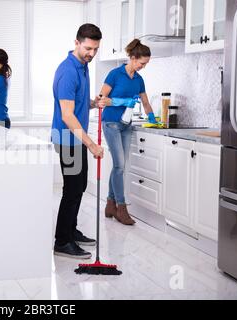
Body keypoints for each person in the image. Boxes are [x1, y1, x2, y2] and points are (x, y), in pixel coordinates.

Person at [51, 24, 104, 260]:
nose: (91, 53)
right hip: (67, 138)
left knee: (79, 186)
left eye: (95, 49)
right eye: (88, 48)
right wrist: (92, 144)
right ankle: (62, 241)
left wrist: (93, 103)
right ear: (76, 42)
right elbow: (67, 114)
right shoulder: (68, 71)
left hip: (76, 137)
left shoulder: (83, 66)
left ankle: (70, 230)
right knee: (72, 189)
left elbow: (77, 103)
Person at [98, 39, 157, 225]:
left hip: (126, 124)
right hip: (111, 123)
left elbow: (145, 102)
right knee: (120, 166)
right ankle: (121, 208)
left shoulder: (139, 80)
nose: (144, 67)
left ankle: (109, 204)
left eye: (146, 64)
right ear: (132, 58)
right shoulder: (115, 74)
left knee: (119, 166)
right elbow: (101, 98)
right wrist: (122, 102)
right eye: (142, 63)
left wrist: (153, 119)